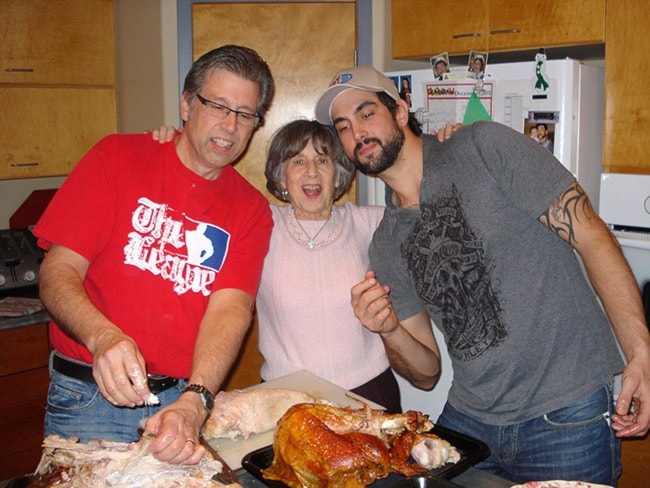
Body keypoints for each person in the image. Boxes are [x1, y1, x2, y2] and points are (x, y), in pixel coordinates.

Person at [314, 65, 650, 485]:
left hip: (567, 411)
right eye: (343, 127)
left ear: (400, 111)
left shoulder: (482, 146)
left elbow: (591, 235)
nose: (356, 133)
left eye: (366, 114)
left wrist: (641, 353)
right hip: (472, 419)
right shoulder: (385, 244)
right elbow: (426, 371)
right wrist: (387, 330)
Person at [33, 44, 275, 465]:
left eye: (245, 113)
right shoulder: (116, 158)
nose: (230, 125)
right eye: (218, 105)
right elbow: (58, 271)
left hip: (178, 404)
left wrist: (196, 399)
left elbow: (230, 310)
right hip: (88, 397)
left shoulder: (251, 209)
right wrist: (102, 336)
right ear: (186, 104)